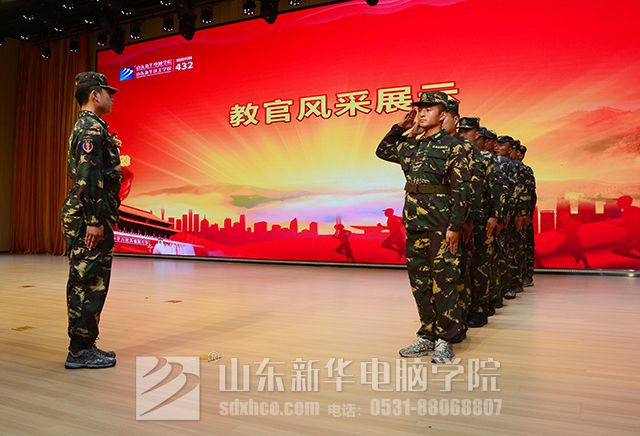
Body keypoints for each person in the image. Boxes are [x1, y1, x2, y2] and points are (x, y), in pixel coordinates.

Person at [376, 91, 468, 364]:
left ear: (443, 114)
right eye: (420, 108)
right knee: (420, 282)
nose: (423, 112)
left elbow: (460, 190)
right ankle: (427, 334)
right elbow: (383, 150)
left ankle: (445, 339)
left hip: (441, 224)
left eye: (429, 108)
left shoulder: (454, 147)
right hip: (415, 222)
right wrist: (403, 128)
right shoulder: (412, 146)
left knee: (445, 281)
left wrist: (455, 226)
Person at [61, 72, 121, 369]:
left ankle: (85, 344)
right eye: (108, 92)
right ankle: (80, 351)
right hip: (89, 217)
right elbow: (88, 176)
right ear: (95, 95)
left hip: (90, 213)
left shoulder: (90, 126)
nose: (112, 98)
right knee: (88, 283)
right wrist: (94, 221)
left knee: (90, 281)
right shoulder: (91, 128)